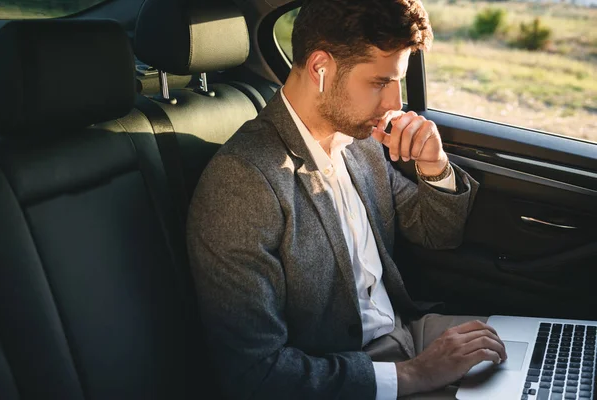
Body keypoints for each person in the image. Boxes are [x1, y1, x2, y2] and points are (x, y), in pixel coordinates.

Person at [187, 0, 507, 399]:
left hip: (408, 333)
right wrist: (413, 374)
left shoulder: (361, 142)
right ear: (321, 68)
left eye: (398, 82)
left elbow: (436, 234)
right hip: (346, 374)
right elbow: (256, 373)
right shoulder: (243, 182)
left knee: (553, 366)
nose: (394, 104)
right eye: (378, 83)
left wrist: (434, 165)